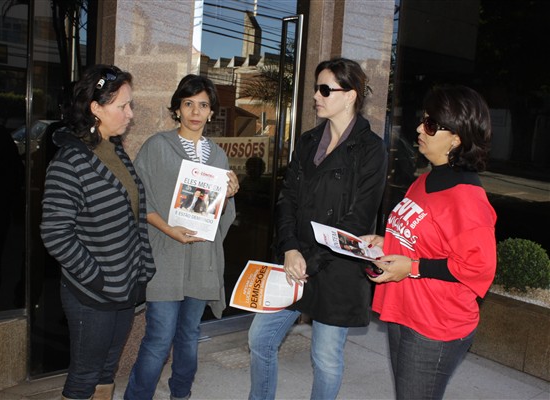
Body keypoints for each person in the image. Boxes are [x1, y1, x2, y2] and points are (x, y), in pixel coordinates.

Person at [248, 58, 388, 400]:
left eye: (325, 89)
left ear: (350, 95)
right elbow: (287, 198)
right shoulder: (309, 141)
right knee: (260, 339)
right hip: (294, 260)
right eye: (316, 88)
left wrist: (309, 261)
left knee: (325, 358)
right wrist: (290, 248)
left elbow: (358, 219)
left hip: (337, 268)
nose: (316, 96)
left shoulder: (371, 150)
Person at [362, 84, 497, 400]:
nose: (420, 129)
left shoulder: (467, 199)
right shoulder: (425, 181)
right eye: (423, 120)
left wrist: (412, 267)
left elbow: (478, 266)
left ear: (457, 138)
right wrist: (386, 241)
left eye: (431, 124)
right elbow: (421, 239)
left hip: (435, 325)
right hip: (407, 311)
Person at [40, 64, 155, 400]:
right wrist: (97, 277)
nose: (130, 114)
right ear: (96, 108)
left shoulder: (114, 150)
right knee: (85, 375)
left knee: (107, 370)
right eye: (123, 106)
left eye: (130, 105)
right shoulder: (69, 162)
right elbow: (55, 233)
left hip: (123, 288)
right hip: (91, 294)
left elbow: (134, 215)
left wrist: (140, 270)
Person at [125, 74, 239, 400]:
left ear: (212, 112)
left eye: (203, 105)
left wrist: (229, 195)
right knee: (159, 338)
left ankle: (181, 394)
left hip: (202, 260)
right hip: (165, 257)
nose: (195, 112)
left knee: (189, 335)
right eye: (188, 103)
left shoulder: (218, 156)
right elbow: (138, 200)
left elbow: (220, 217)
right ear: (177, 109)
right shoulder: (157, 147)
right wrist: (168, 229)